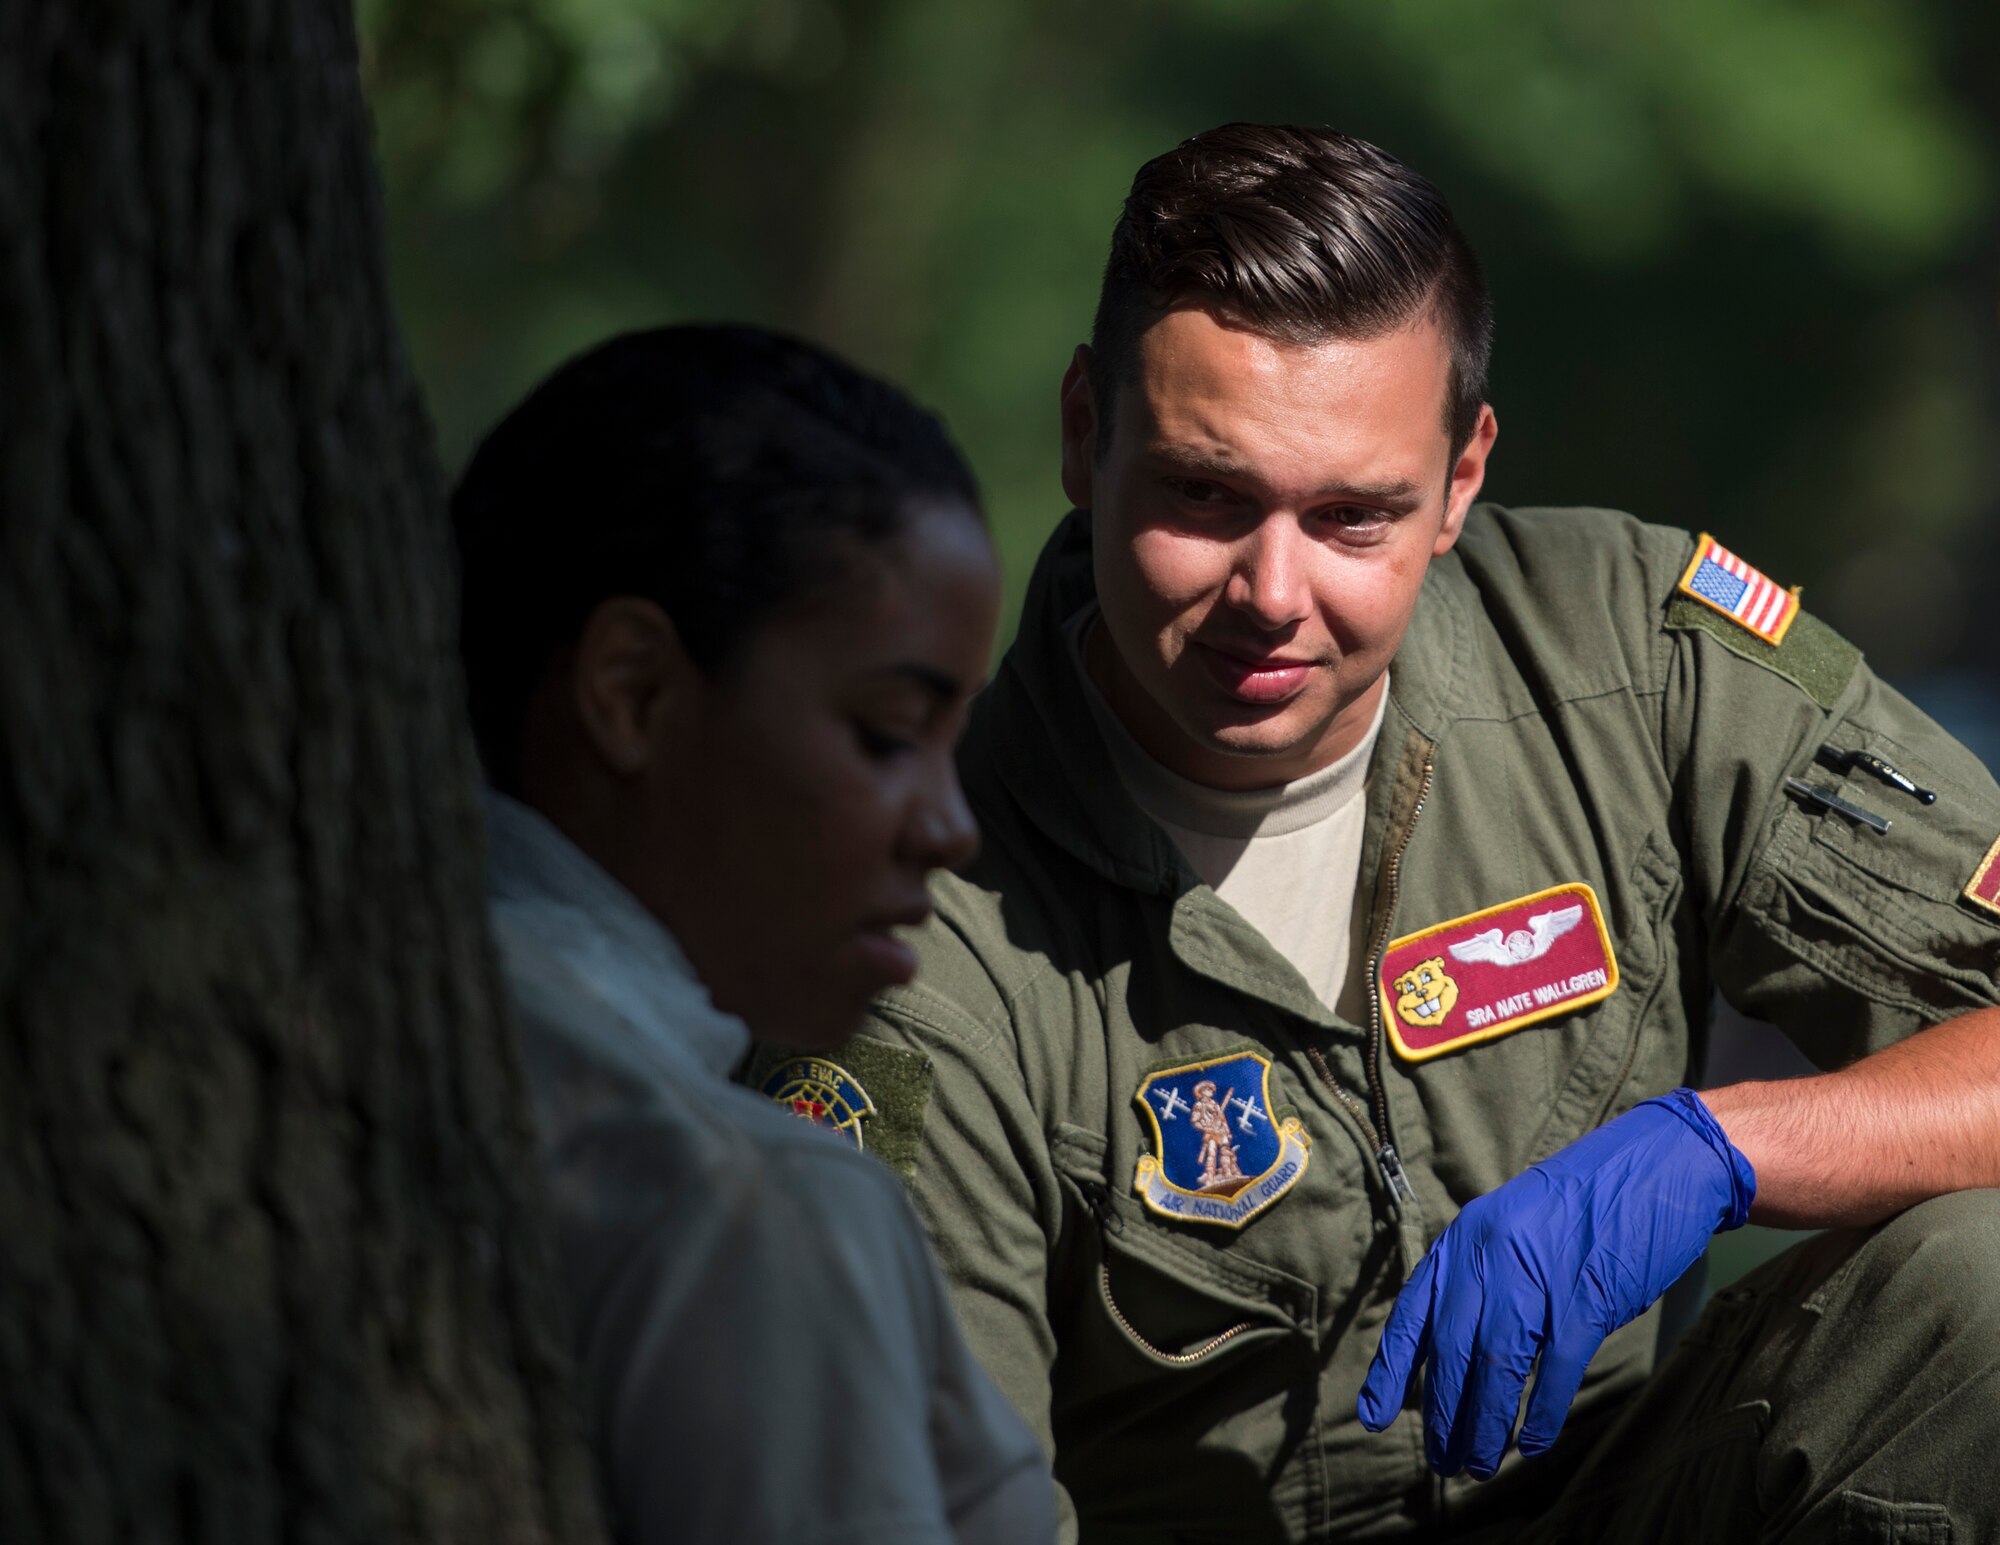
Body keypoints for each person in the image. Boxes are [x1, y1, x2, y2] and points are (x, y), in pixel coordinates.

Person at [744, 126, 2000, 1541]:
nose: (1271, 594)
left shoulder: (1632, 663)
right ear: (1086, 435)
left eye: (1352, 516)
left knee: (1982, 1288)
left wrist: (1725, 1144)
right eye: (1206, 496)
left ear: (1464, 476)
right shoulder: (911, 927)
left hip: (1624, 1502)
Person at [452, 324, 1059, 1545]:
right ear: (632, 691)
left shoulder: (367, 1000)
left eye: (955, 747)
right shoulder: (745, 1201)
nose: (950, 829)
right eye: (889, 735)